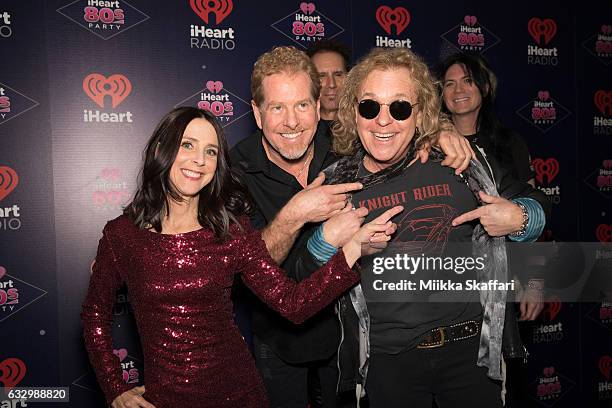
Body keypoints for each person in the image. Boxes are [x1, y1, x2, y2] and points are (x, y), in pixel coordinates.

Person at [81, 107, 400, 408]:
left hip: (239, 395)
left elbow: (293, 303)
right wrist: (115, 387)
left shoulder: (231, 231)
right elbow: (95, 311)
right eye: (188, 145)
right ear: (161, 149)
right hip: (164, 399)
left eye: (211, 151)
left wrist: (353, 249)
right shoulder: (122, 235)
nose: (199, 160)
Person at [230, 46, 476, 408]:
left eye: (301, 105)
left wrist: (440, 131)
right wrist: (294, 214)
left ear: (318, 107)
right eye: (277, 107)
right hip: (279, 339)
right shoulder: (235, 170)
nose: (292, 121)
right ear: (257, 111)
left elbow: (392, 125)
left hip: (344, 333)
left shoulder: (344, 147)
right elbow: (247, 269)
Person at [304, 47, 550, 407]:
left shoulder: (461, 160)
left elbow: (537, 208)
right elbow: (303, 276)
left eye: (400, 107)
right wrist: (336, 243)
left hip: (471, 357)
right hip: (388, 364)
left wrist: (519, 219)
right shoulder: (337, 182)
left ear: (420, 114)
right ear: (353, 112)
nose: (383, 121)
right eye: (370, 107)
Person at [306, 39, 351, 123]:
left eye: (338, 75)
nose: (331, 84)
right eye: (321, 76)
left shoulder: (365, 128)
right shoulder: (299, 129)